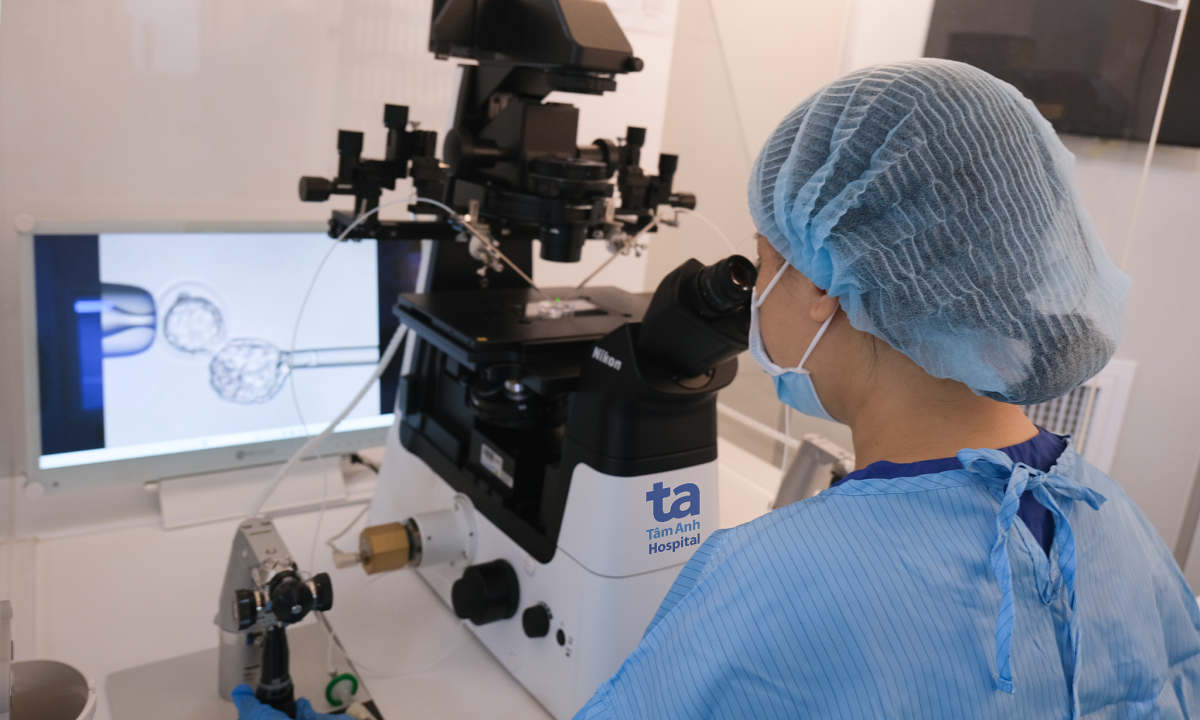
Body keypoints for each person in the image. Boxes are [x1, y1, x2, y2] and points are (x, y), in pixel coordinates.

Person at [574, 59, 1200, 719]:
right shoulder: (1117, 521)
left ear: (824, 284)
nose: (755, 294)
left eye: (764, 261)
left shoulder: (772, 584)